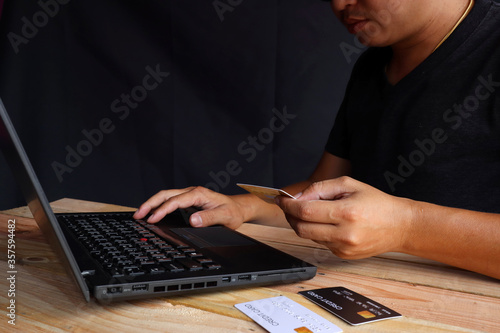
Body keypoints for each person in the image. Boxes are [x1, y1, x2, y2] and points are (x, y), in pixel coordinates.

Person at [134, 0, 500, 280]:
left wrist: (406, 227)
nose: (339, 5)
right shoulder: (371, 66)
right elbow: (318, 189)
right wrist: (241, 209)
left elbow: (393, 223)